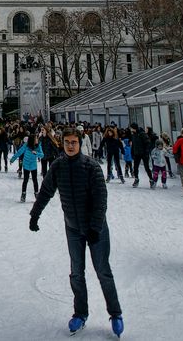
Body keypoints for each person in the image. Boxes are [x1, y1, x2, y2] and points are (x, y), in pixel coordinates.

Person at [29, 130, 124, 338]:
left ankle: (115, 314)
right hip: (73, 228)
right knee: (76, 273)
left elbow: (101, 199)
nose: (70, 146)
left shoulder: (91, 167)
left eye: (74, 142)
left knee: (103, 271)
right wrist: (34, 215)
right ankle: (80, 313)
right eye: (66, 142)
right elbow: (45, 191)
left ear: (80, 144)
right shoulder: (58, 166)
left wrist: (95, 227)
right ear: (62, 144)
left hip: (95, 229)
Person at [11, 133, 44, 202]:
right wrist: (13, 159)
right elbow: (19, 152)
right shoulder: (26, 145)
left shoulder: (38, 146)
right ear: (32, 140)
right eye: (36, 138)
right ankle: (23, 194)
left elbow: (42, 155)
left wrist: (36, 153)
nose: (37, 139)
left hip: (33, 165)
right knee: (25, 180)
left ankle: (36, 194)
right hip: (26, 165)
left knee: (35, 180)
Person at [130, 124, 152, 188]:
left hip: (144, 153)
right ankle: (136, 179)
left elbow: (148, 143)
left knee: (146, 167)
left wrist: (146, 152)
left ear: (134, 128)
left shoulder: (142, 134)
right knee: (135, 167)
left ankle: (151, 179)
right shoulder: (133, 135)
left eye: (131, 128)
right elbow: (133, 145)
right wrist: (132, 153)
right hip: (137, 154)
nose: (131, 129)